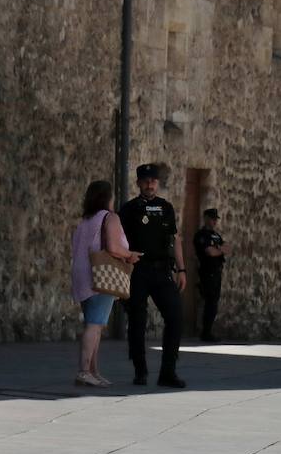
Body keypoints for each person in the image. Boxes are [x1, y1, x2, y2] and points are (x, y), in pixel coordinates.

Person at [120, 163, 187, 387]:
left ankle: (168, 371)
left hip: (162, 270)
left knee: (175, 316)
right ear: (138, 183)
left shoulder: (166, 208)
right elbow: (118, 241)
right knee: (137, 320)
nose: (150, 184)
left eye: (153, 181)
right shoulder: (128, 209)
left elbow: (174, 240)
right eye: (146, 181)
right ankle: (140, 370)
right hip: (137, 270)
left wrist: (182, 269)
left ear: (158, 183)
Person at [70, 181, 140, 387]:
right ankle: (84, 371)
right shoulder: (110, 217)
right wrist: (130, 255)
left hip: (82, 273)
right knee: (95, 324)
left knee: (94, 323)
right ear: (108, 198)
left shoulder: (85, 221)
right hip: (101, 274)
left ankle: (93, 371)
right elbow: (113, 247)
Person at [193, 208, 228, 342]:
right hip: (207, 272)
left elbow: (227, 248)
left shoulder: (216, 235)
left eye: (215, 219)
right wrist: (220, 250)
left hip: (217, 271)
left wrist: (218, 249)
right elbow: (210, 252)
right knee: (210, 302)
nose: (214, 221)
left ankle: (207, 331)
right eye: (212, 218)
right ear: (206, 218)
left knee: (213, 303)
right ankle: (206, 333)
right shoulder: (201, 235)